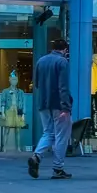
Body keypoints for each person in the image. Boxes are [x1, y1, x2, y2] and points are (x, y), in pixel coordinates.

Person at [28, 39, 73, 180]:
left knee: (48, 132)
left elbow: (36, 84)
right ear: (65, 50)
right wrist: (66, 107)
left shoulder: (41, 61)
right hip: (58, 104)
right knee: (61, 135)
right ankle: (58, 168)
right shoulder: (62, 62)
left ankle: (36, 156)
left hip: (43, 103)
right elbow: (63, 86)